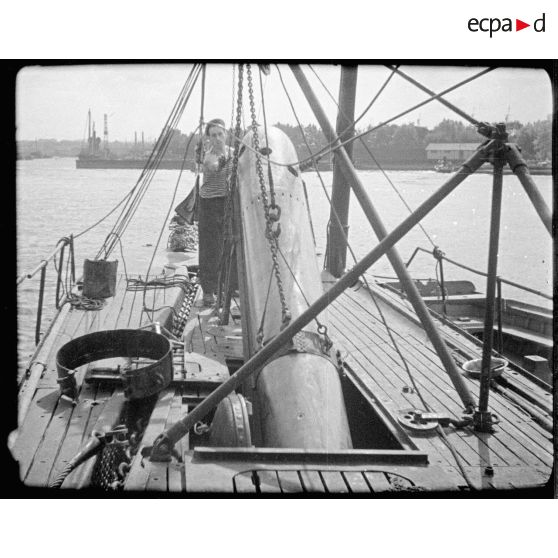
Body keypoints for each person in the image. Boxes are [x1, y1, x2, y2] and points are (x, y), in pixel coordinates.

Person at [197, 118, 231, 306]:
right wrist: (228, 157)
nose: (217, 138)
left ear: (226, 135)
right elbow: (216, 167)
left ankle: (226, 286)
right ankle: (209, 291)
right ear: (208, 138)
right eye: (213, 135)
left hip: (228, 203)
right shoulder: (209, 156)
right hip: (210, 205)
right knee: (210, 248)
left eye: (220, 134)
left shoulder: (234, 153)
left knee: (228, 246)